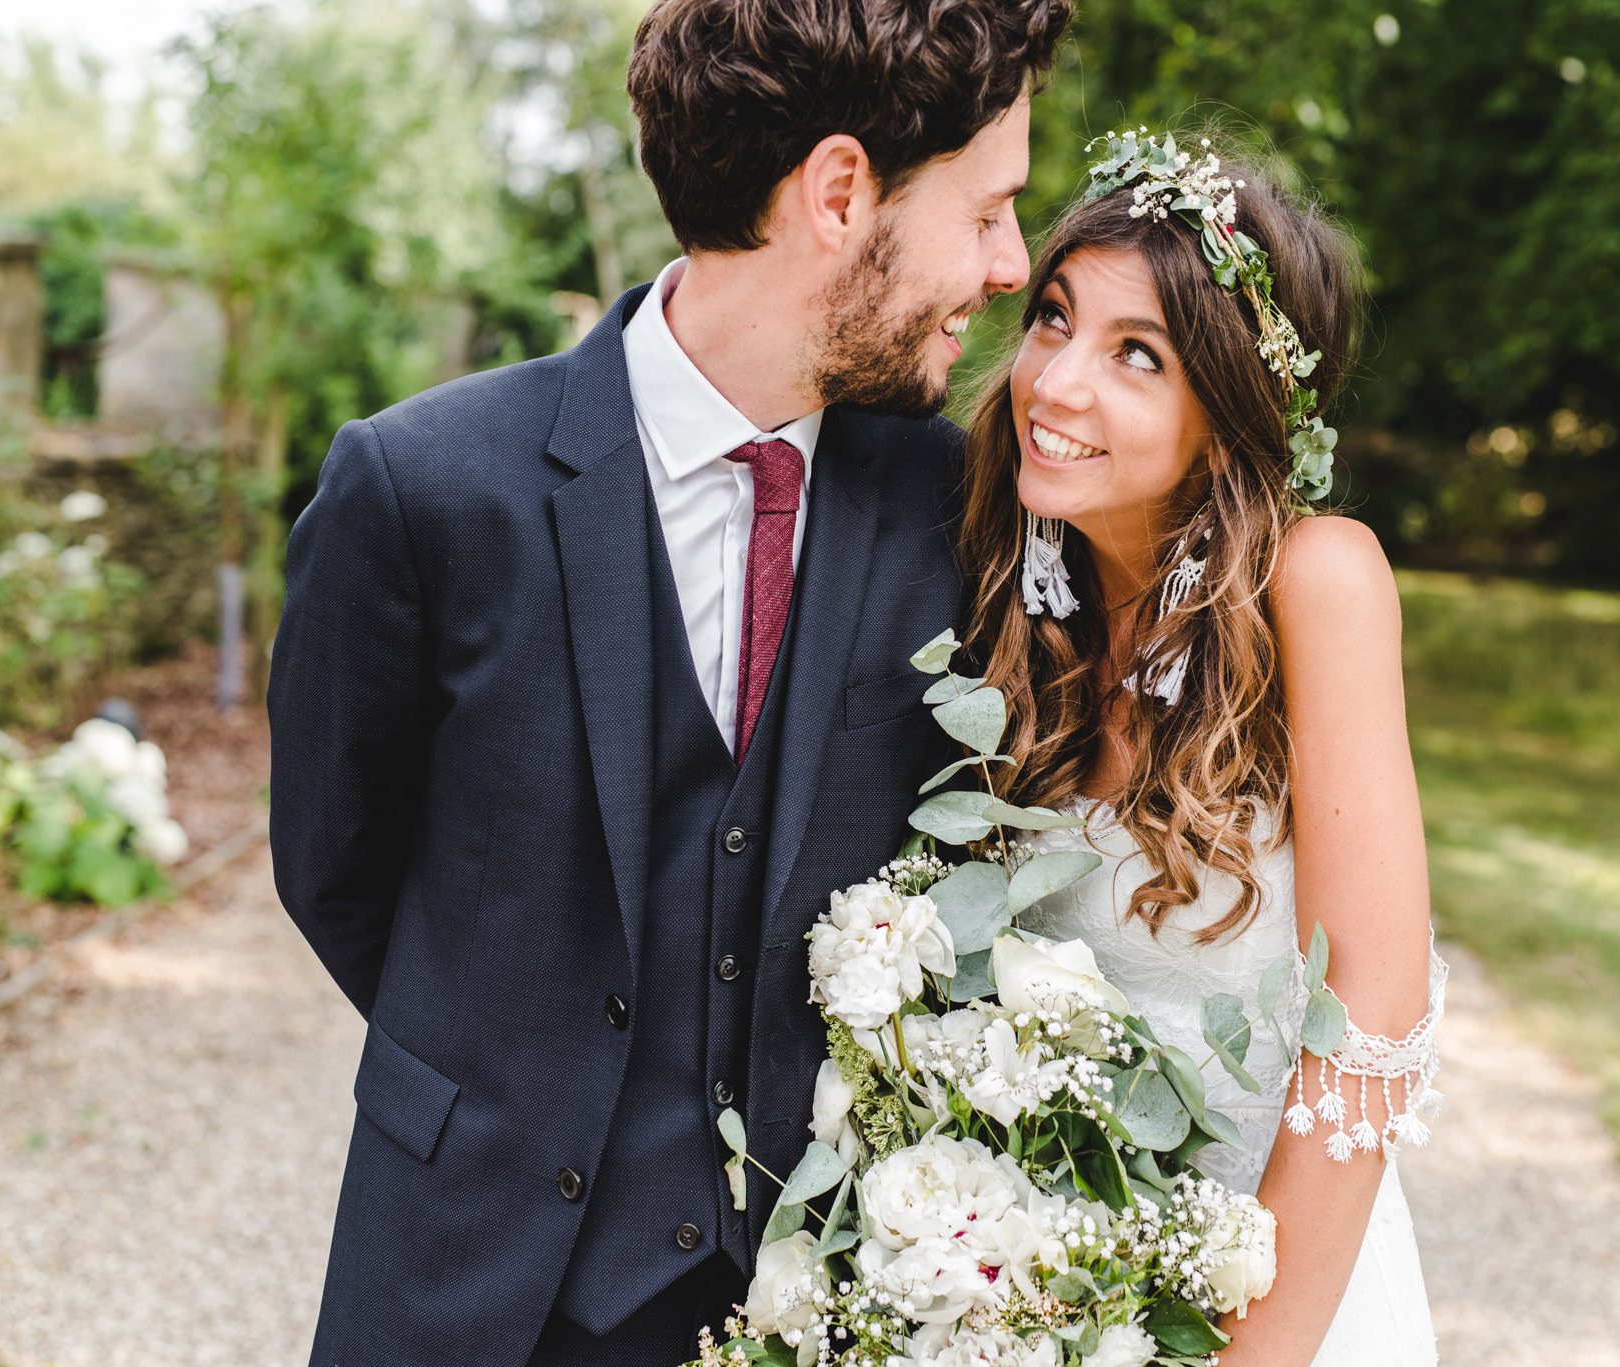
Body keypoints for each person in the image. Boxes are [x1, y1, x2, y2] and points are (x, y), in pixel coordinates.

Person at [265, 1, 1071, 1362]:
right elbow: (334, 867)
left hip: (821, 1303)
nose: (1007, 267)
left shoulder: (963, 507)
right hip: (465, 1283)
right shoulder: (425, 489)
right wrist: (519, 1073)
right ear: (837, 193)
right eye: (989, 211)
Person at [959, 133, 1445, 1364]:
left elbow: (1373, 1023)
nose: (1054, 383)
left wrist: (1245, 1352)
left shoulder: (1316, 582)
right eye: (1055, 318)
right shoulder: (1008, 595)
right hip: (1042, 1303)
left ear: (1228, 412)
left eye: (1136, 355)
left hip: (1275, 1300)